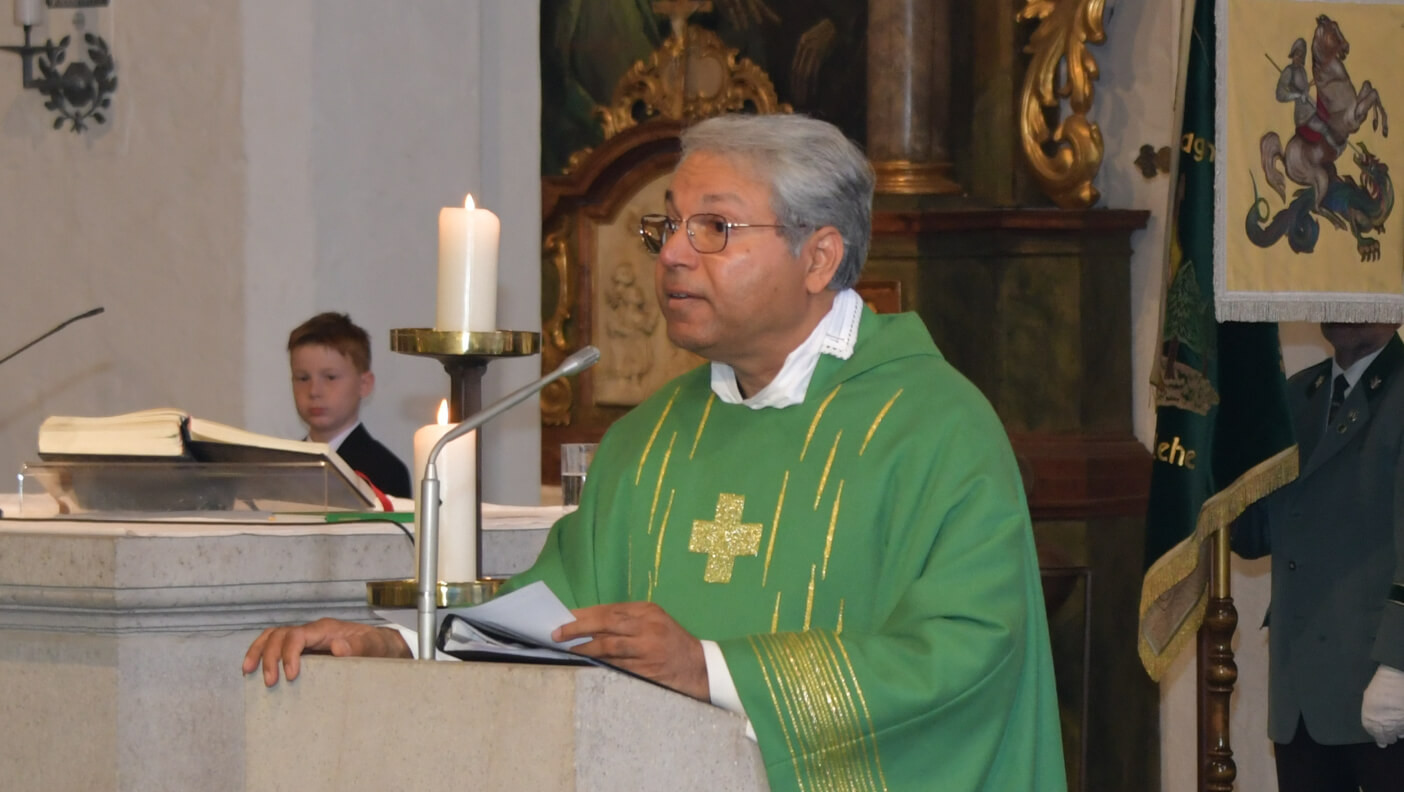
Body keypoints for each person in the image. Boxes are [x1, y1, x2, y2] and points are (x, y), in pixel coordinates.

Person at [246, 115, 1066, 792]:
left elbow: (965, 658)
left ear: (818, 257)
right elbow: (553, 617)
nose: (672, 252)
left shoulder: (935, 429)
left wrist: (707, 666)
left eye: (713, 227)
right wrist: (400, 644)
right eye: (668, 224)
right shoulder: (652, 439)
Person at [1232, 322, 1404, 792]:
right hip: (1300, 692)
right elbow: (1254, 535)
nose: (1342, 304)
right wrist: (1226, 441)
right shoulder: (1295, 396)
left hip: (1379, 689)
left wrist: (1399, 663)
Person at [286, 312, 411, 498]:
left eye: (330, 377)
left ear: (364, 385)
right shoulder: (282, 467)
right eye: (303, 378)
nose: (314, 391)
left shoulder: (385, 469)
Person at [1276, 38, 1314, 130]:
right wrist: (1296, 95)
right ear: (1293, 54)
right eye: (1297, 54)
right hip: (1302, 117)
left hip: (1312, 110)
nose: (1298, 58)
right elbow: (1280, 94)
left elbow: (1304, 90)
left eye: (1301, 56)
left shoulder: (1302, 70)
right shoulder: (1288, 71)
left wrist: (1309, 85)